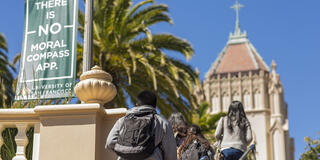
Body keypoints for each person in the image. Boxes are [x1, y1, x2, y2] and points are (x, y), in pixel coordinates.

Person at [106, 90, 177, 160]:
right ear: (155, 106)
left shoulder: (122, 120)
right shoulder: (162, 122)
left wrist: (125, 150)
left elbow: (110, 142)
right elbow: (170, 152)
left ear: (137, 104)